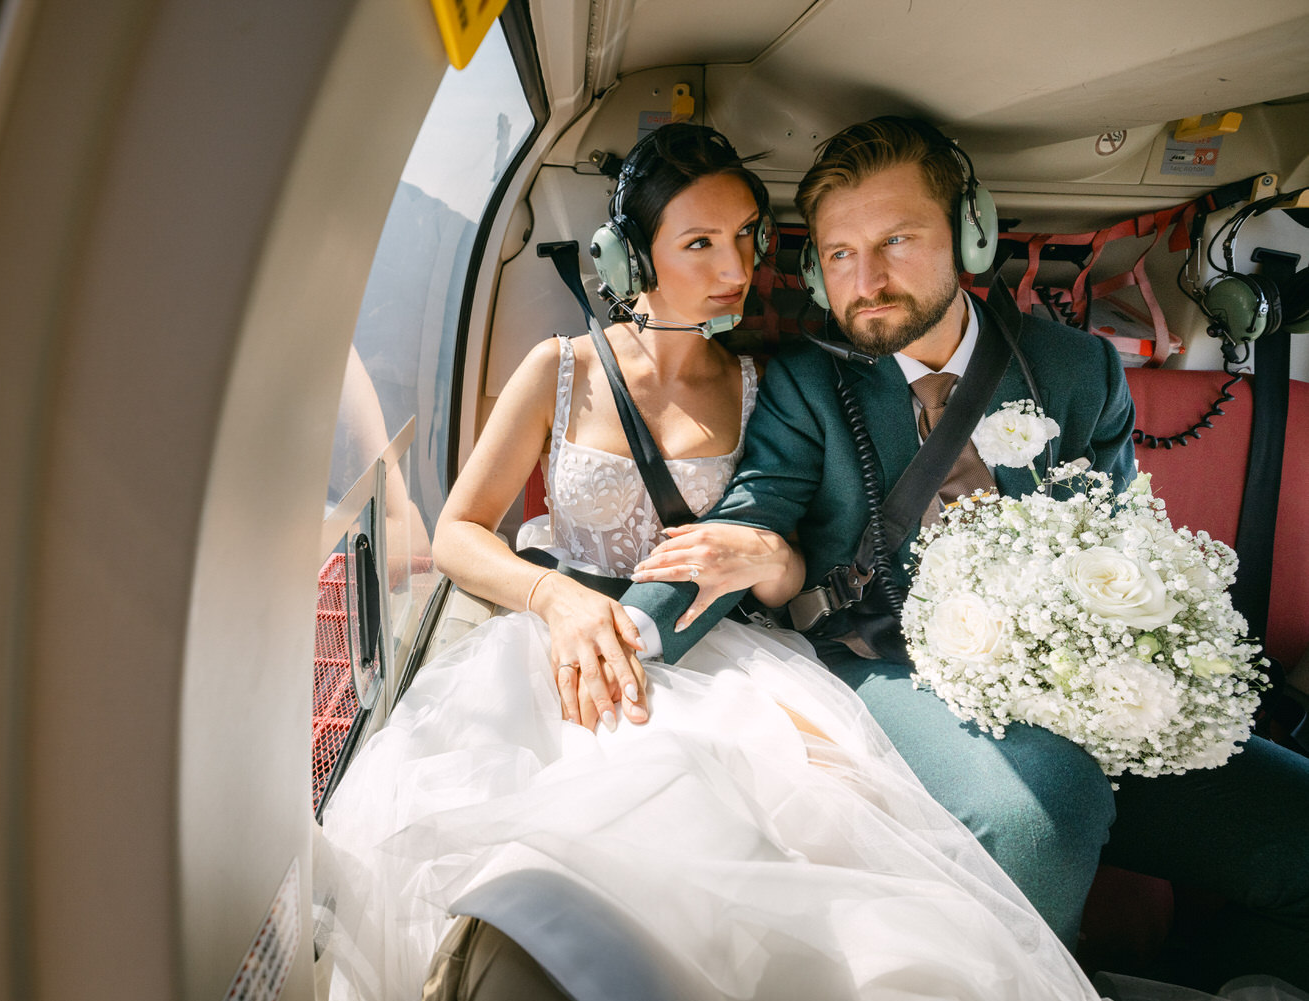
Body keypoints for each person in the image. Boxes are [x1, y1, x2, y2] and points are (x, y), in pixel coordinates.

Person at [313, 123, 1106, 1001]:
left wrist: (771, 557)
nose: (735, 268)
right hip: (566, 633)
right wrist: (558, 601)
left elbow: (784, 558)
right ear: (625, 260)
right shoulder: (560, 369)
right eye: (700, 242)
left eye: (747, 240)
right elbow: (461, 531)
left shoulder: (767, 382)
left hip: (723, 645)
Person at [617, 116, 1309, 993]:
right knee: (1045, 810)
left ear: (969, 237)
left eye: (896, 240)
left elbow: (1127, 540)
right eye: (837, 255)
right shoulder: (802, 383)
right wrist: (622, 643)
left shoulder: (1080, 371)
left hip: (1088, 692)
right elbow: (748, 518)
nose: (864, 281)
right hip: (892, 678)